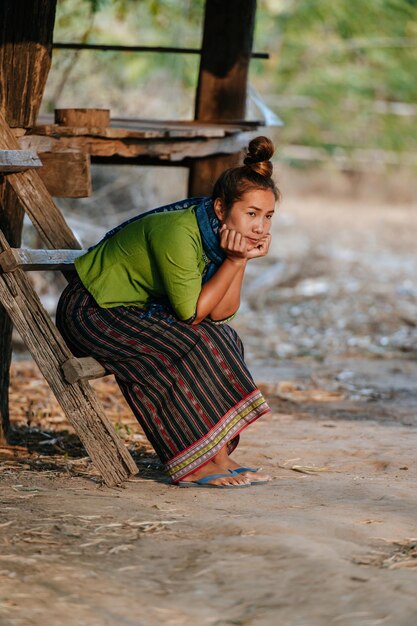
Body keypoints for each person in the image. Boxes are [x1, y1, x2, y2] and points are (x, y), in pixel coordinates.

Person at [56, 135, 280, 488]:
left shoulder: (217, 234)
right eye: (251, 214)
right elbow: (192, 316)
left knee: (224, 337)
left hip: (135, 313)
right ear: (221, 209)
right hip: (92, 313)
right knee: (193, 341)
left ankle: (217, 455)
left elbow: (220, 315)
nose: (260, 227)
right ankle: (195, 463)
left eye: (267, 217)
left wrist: (239, 262)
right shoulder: (180, 231)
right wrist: (236, 259)